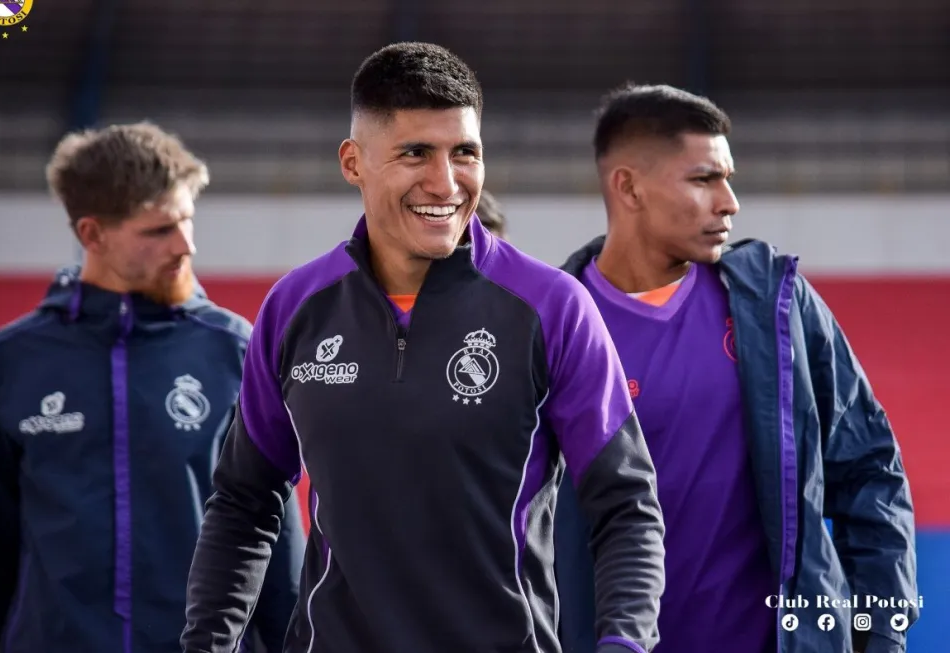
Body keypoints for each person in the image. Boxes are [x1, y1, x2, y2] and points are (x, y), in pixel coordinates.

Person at [181, 42, 665, 653]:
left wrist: (625, 643)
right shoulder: (294, 309)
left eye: (465, 152)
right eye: (415, 153)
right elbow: (245, 501)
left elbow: (625, 505)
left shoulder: (554, 308)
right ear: (353, 163)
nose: (446, 182)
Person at [554, 83, 918, 653]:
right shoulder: (550, 328)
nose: (729, 202)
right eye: (703, 179)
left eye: (728, 178)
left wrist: (883, 638)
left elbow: (870, 469)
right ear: (628, 186)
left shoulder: (779, 303)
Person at [0, 122, 305, 653]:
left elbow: (276, 539)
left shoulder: (236, 349)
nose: (185, 245)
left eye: (187, 220)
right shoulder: (12, 359)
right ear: (91, 234)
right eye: (158, 230)